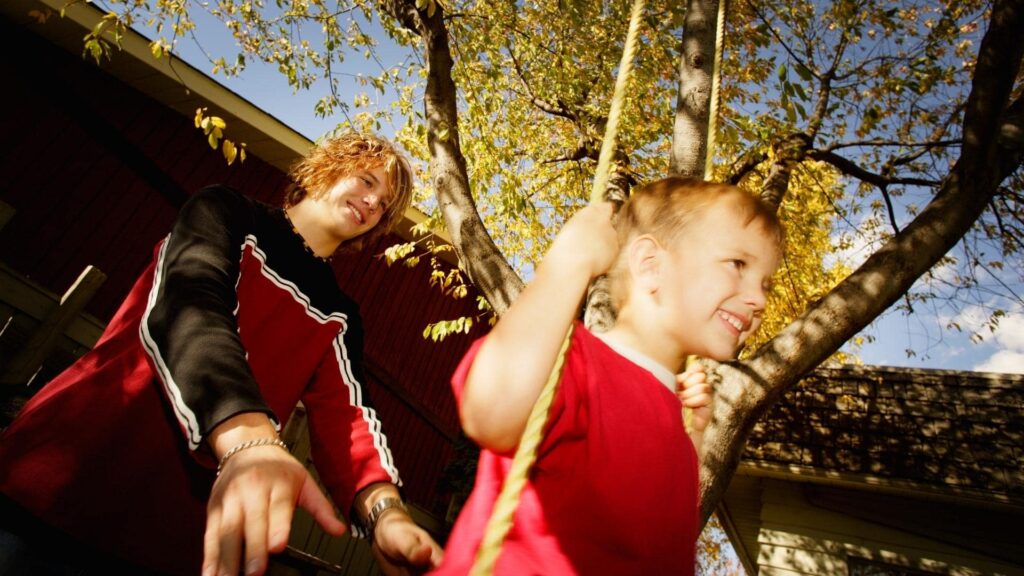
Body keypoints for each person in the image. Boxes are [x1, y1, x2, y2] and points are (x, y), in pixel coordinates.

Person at [0, 131, 444, 576]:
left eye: (384, 203)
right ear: (326, 167)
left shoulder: (340, 314)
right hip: (59, 484)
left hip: (171, 539)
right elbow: (190, 308)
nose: (372, 203)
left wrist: (386, 514)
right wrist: (248, 439)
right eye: (367, 181)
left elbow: (347, 417)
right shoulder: (226, 212)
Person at [432, 177, 784, 574]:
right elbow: (491, 413)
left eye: (765, 284)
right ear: (651, 265)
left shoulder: (676, 420)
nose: (759, 300)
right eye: (737, 265)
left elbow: (655, 545)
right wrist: (568, 263)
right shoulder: (571, 361)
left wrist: (694, 443)